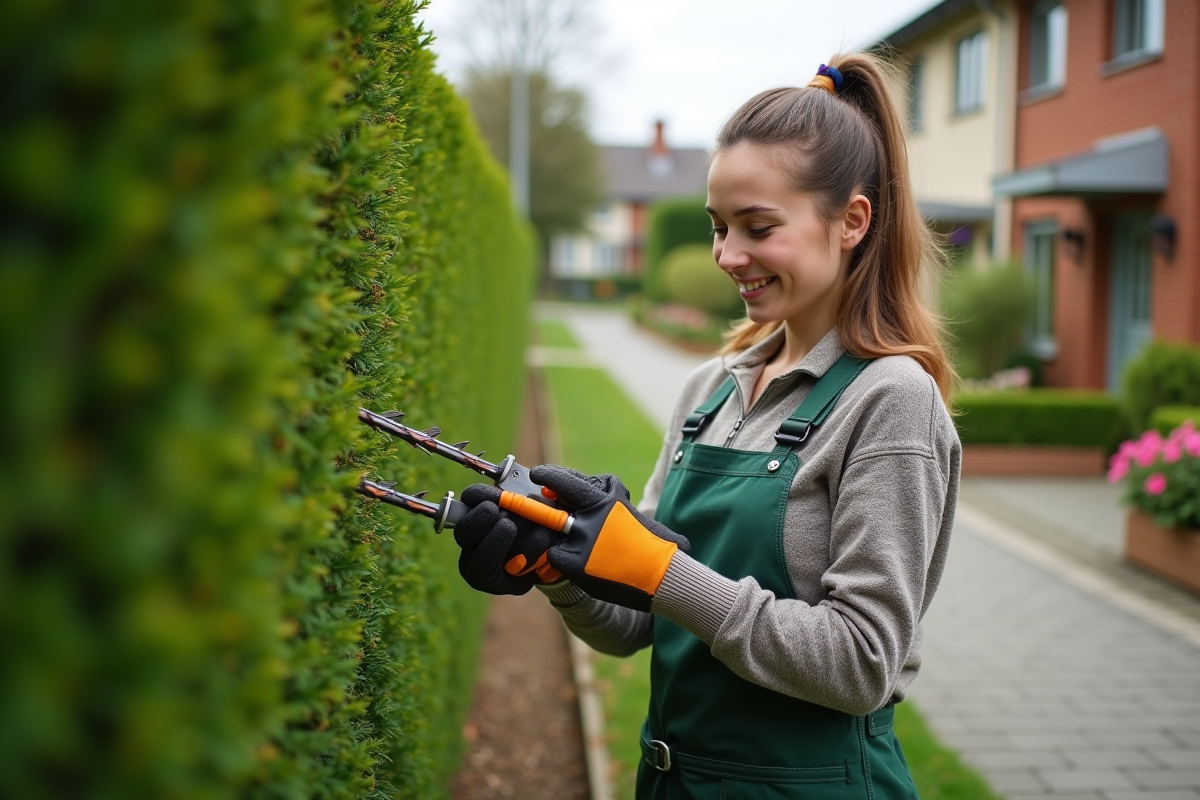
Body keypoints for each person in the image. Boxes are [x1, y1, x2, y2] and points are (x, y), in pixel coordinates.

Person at [454, 53, 961, 800]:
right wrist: (557, 561)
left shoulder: (891, 399)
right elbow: (638, 626)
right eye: (719, 227)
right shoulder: (708, 389)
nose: (727, 255)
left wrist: (660, 569)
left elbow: (862, 662)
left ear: (852, 220)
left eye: (758, 227)